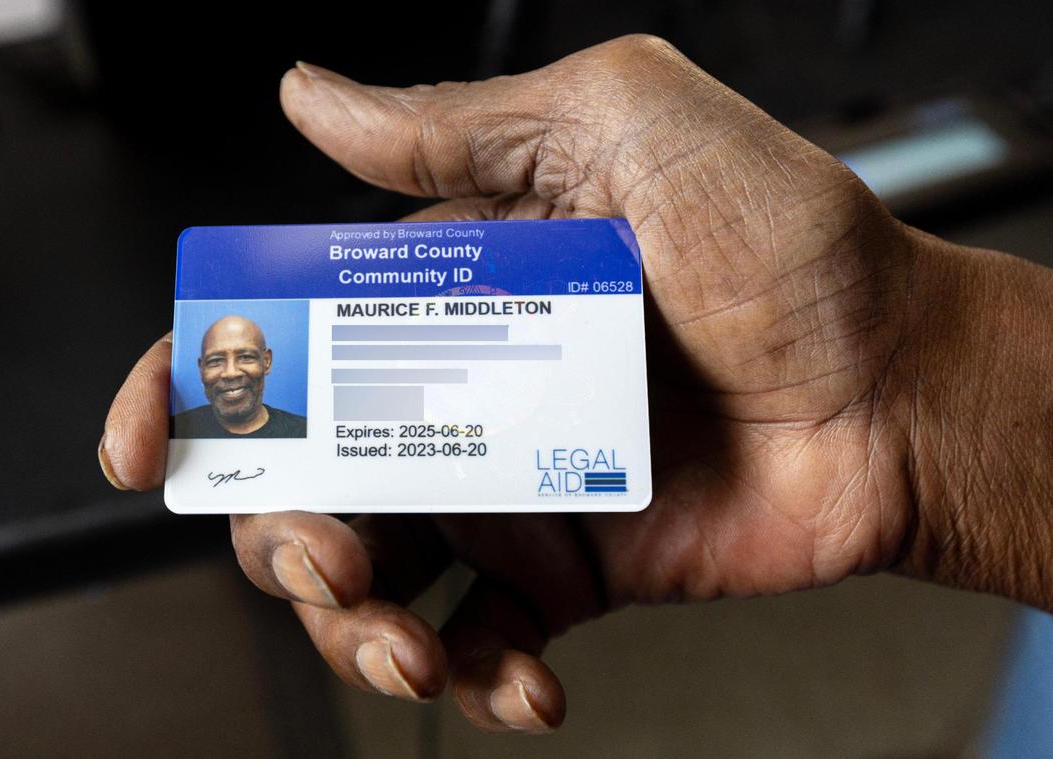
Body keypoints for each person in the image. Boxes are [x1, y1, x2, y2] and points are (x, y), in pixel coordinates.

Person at [97, 36, 1053, 734]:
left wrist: (903, 386)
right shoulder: (267, 444)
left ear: (266, 360)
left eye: (239, 355)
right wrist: (918, 387)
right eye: (214, 359)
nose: (225, 372)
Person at [171, 315, 306, 439]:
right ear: (202, 369)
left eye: (246, 357)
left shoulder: (303, 433)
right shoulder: (175, 431)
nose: (231, 373)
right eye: (216, 361)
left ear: (267, 361)